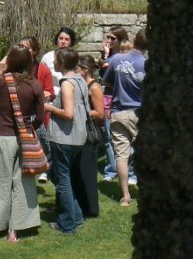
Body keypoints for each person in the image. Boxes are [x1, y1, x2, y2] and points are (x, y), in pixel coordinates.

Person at [0, 44, 45, 244]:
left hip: (3, 136)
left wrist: (0, 69)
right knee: (22, 183)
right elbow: (40, 116)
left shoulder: (1, 80)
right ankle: (15, 230)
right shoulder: (35, 85)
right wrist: (29, 129)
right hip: (24, 139)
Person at [44, 47, 87, 233]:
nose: (53, 62)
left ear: (61, 63)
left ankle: (67, 223)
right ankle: (76, 217)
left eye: (55, 60)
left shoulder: (67, 84)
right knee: (66, 179)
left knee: (62, 180)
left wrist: (50, 108)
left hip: (65, 138)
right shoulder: (81, 80)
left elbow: (68, 113)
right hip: (77, 137)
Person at [102, 28, 147, 206]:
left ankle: (125, 196)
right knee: (144, 154)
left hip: (119, 112)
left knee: (121, 155)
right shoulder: (146, 63)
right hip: (140, 113)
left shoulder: (117, 59)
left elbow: (106, 81)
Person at [3, 36, 54, 183]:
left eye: (27, 48)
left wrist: (43, 94)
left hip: (35, 114)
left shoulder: (42, 70)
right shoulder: (12, 70)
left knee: (41, 142)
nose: (23, 51)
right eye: (21, 47)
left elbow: (49, 91)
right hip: (15, 114)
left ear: (35, 51)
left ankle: (42, 166)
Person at [71, 54, 105, 216]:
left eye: (76, 68)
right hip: (78, 132)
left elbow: (100, 113)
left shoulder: (95, 87)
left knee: (88, 171)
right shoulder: (80, 85)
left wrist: (81, 113)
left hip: (90, 134)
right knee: (77, 170)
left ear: (85, 70)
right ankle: (79, 203)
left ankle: (91, 208)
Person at [100, 26, 129, 182]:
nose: (109, 41)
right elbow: (104, 77)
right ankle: (112, 170)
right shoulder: (107, 56)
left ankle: (129, 172)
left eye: (113, 38)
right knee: (108, 137)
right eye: (108, 38)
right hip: (108, 98)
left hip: (123, 99)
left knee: (127, 137)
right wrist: (105, 56)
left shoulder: (125, 55)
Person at [41, 27, 77, 95]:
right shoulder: (47, 58)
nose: (63, 42)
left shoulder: (74, 58)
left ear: (71, 42)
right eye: (61, 38)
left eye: (66, 39)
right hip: (53, 95)